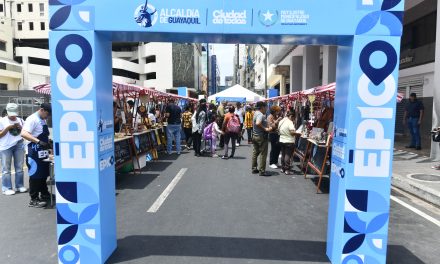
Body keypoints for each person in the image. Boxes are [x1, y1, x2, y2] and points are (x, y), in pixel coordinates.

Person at [21, 103, 52, 208]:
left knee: (43, 175)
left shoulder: (42, 119)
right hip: (33, 153)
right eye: (47, 114)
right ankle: (33, 199)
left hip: (42, 152)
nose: (47, 117)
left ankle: (44, 194)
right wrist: (38, 142)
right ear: (42, 110)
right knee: (35, 176)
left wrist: (48, 143)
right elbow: (24, 133)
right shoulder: (32, 119)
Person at [0, 103, 27, 195]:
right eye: (11, 114)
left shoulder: (20, 120)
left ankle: (19, 186)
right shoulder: (2, 121)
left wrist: (21, 127)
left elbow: (26, 132)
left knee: (19, 167)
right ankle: (6, 188)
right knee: (6, 168)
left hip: (18, 144)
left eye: (14, 113)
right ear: (7, 112)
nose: (13, 116)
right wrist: (7, 128)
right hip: (5, 146)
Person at [252, 101, 272, 176]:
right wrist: (265, 129)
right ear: (262, 107)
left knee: (255, 152)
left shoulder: (255, 113)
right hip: (261, 136)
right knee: (263, 154)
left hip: (255, 135)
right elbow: (257, 123)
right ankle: (262, 171)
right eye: (266, 107)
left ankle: (254, 168)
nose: (266, 109)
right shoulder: (260, 114)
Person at [278, 110, 297, 175]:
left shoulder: (281, 121)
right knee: (287, 155)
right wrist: (298, 133)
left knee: (283, 154)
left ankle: (282, 168)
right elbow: (292, 132)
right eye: (294, 118)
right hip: (289, 140)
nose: (294, 119)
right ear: (291, 116)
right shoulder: (290, 122)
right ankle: (287, 169)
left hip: (281, 139)